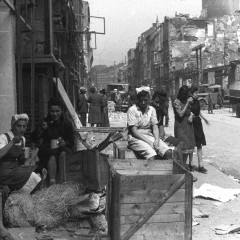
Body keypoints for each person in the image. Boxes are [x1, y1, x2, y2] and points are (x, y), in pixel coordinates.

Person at [0, 114, 47, 240]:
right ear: (13, 126)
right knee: (34, 177)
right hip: (3, 171)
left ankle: (28, 213)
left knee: (36, 175)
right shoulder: (4, 137)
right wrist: (12, 142)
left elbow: (20, 159)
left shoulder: (23, 139)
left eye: (24, 126)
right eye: (18, 126)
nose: (21, 129)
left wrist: (28, 158)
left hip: (14, 169)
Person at [31, 98, 74, 185]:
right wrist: (41, 130)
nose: (55, 114)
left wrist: (65, 143)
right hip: (47, 149)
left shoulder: (67, 123)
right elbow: (33, 138)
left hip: (62, 148)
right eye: (52, 111)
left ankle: (63, 180)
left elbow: (71, 141)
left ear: (61, 111)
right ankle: (52, 181)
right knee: (51, 154)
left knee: (63, 153)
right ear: (49, 111)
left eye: (57, 111)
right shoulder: (45, 122)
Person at [127, 88, 172, 160]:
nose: (143, 102)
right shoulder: (132, 110)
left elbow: (155, 126)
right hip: (135, 138)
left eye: (145, 100)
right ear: (138, 99)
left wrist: (157, 140)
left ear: (148, 99)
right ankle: (150, 170)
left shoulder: (151, 109)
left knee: (168, 152)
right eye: (141, 100)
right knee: (152, 154)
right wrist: (149, 142)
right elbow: (134, 132)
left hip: (149, 136)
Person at [173, 85, 195, 168]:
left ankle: (184, 168)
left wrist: (192, 115)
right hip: (180, 126)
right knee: (182, 148)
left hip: (188, 126)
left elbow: (192, 111)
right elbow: (180, 114)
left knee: (188, 147)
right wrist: (187, 104)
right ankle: (181, 168)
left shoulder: (187, 100)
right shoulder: (177, 102)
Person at [190, 86, 209, 173]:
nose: (197, 95)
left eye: (197, 93)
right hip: (191, 124)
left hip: (198, 123)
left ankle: (200, 165)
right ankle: (190, 164)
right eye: (195, 93)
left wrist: (205, 119)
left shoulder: (197, 101)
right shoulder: (189, 102)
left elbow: (199, 111)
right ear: (191, 93)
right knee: (191, 145)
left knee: (199, 145)